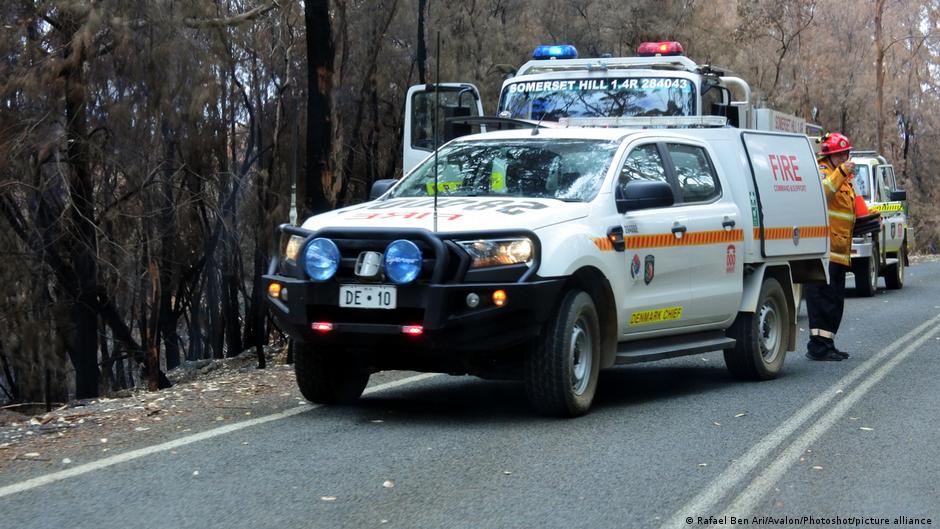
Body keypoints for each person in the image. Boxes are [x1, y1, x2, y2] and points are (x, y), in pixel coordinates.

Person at [805, 132, 857, 361]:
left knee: (835, 302)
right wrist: (843, 171)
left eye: (846, 153)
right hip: (825, 250)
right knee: (822, 300)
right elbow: (823, 192)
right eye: (840, 154)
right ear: (830, 155)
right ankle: (817, 347)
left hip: (840, 251)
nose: (845, 157)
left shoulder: (842, 178)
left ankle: (828, 344)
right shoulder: (824, 172)